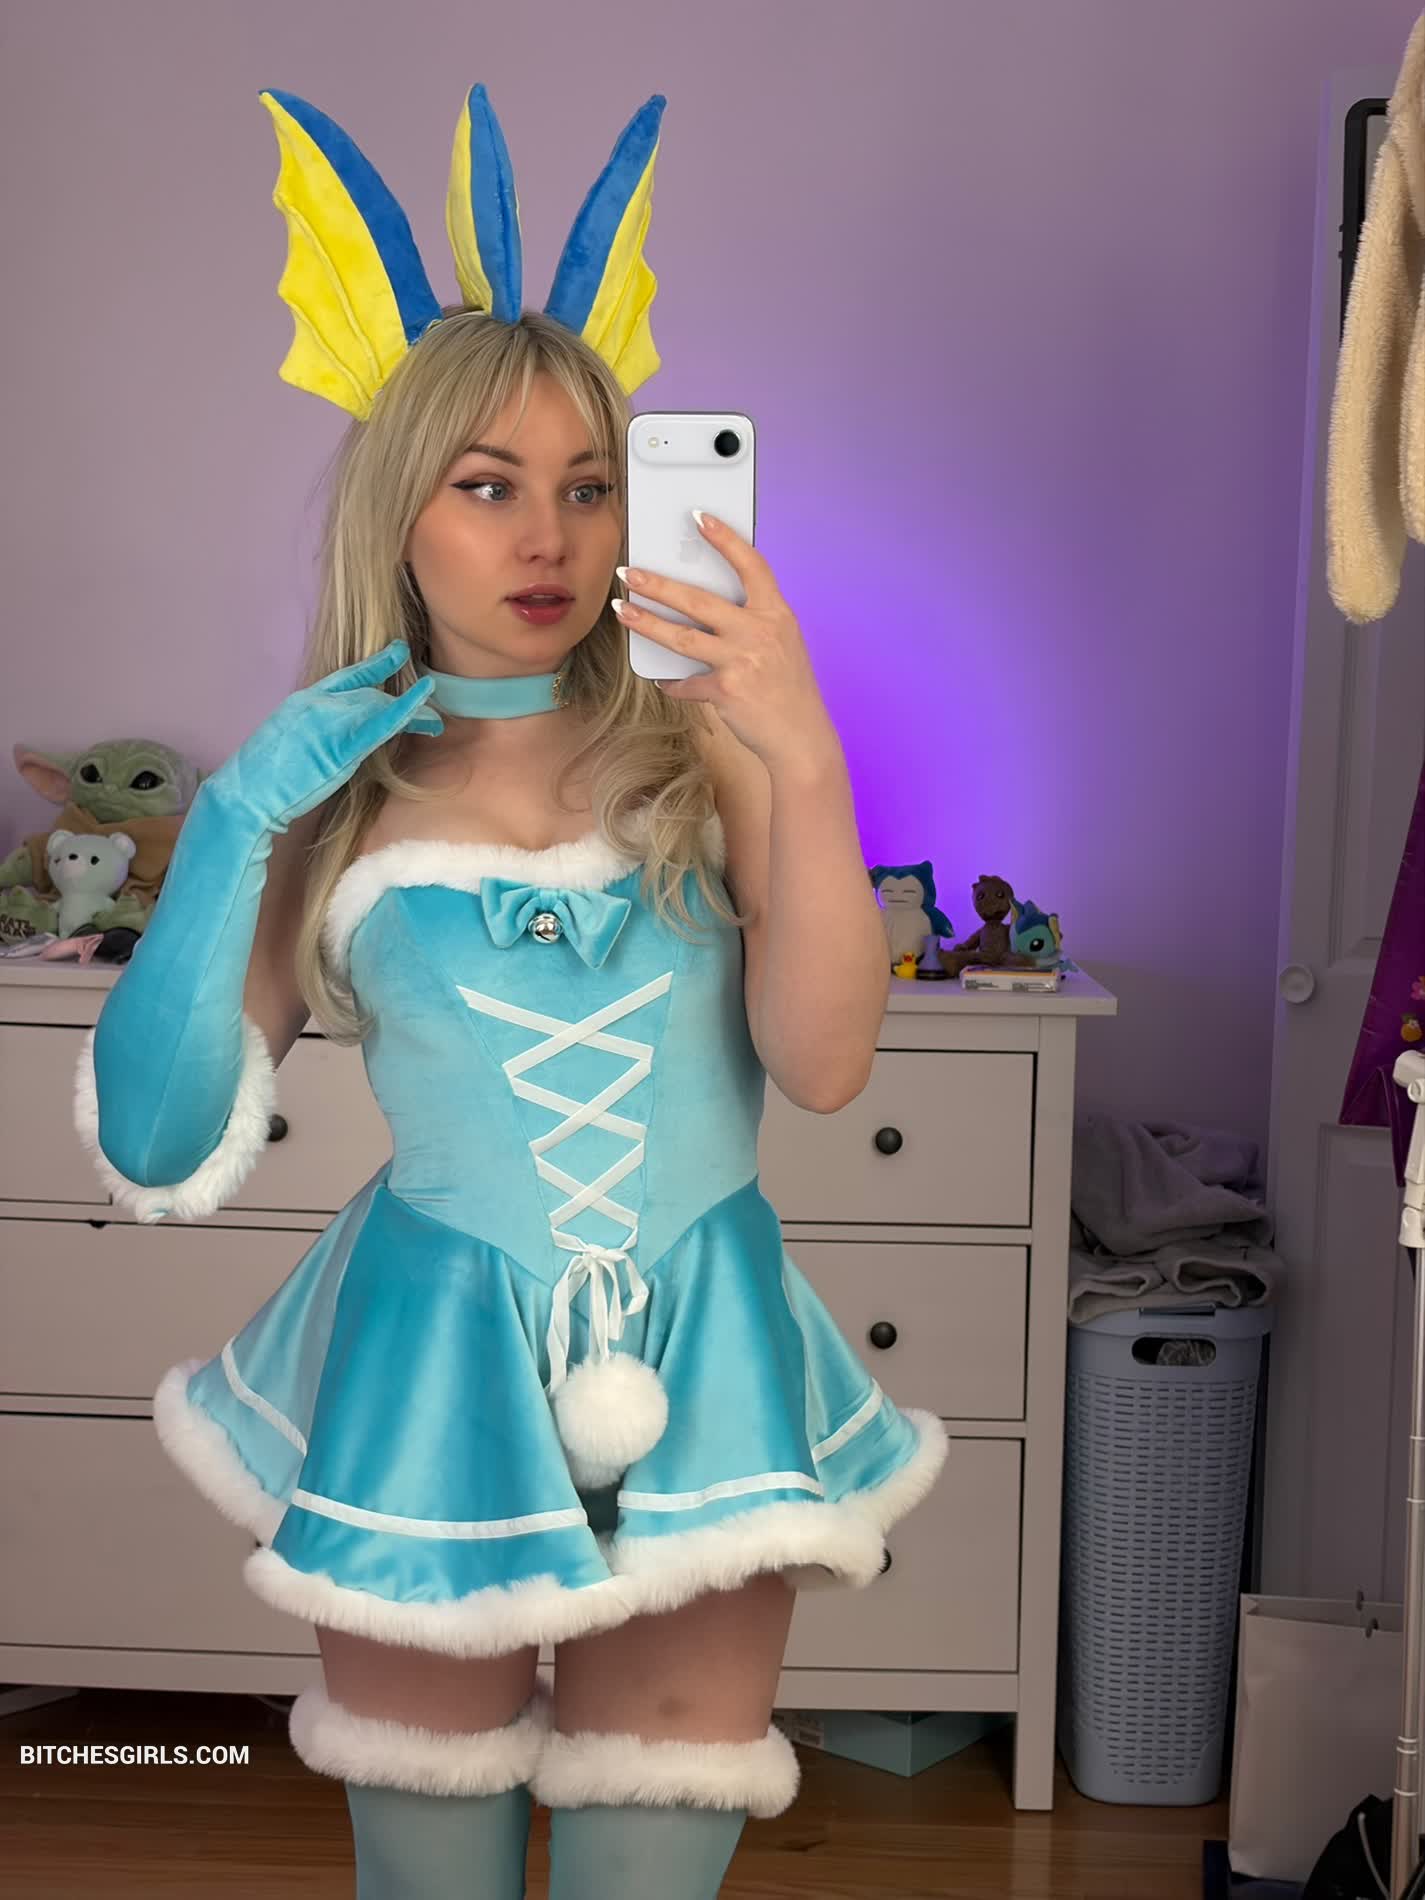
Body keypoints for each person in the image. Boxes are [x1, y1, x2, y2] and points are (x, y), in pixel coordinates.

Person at [75, 81, 949, 1900]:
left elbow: (820, 1064)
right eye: (486, 488)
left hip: (705, 1358)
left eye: (586, 487)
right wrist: (230, 821)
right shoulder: (330, 795)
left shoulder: (709, 751)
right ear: (400, 510)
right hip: (427, 1371)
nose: (544, 539)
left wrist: (801, 755)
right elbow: (155, 1147)